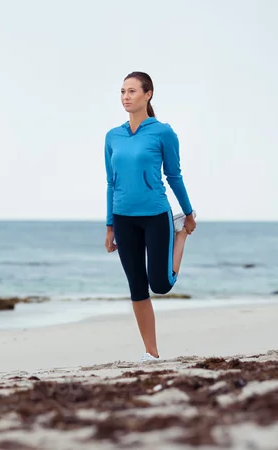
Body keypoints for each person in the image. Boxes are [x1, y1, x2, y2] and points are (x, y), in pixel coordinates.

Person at [104, 71, 197, 362]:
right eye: (122, 91)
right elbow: (111, 182)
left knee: (161, 284)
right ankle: (151, 352)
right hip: (123, 218)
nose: (125, 97)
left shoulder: (163, 132)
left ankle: (179, 234)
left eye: (132, 91)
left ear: (148, 95)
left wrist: (189, 213)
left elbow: (174, 175)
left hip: (156, 215)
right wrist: (109, 226)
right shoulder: (113, 136)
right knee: (137, 287)